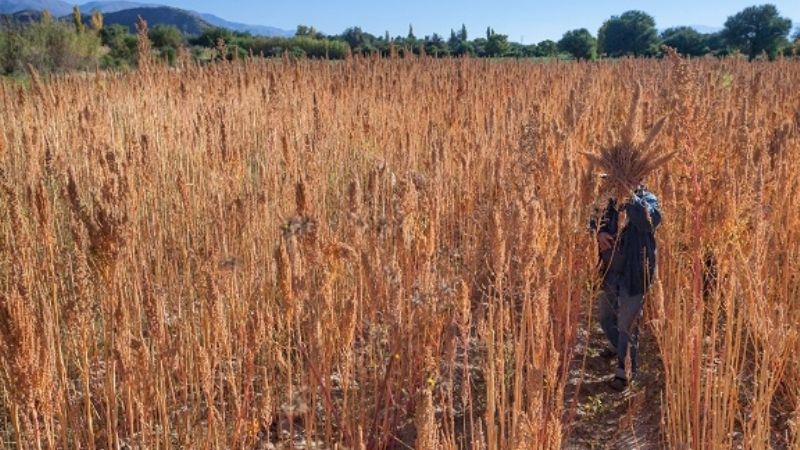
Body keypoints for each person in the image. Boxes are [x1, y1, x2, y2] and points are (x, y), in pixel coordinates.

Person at [589, 185, 661, 391]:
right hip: (610, 271)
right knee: (605, 317)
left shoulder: (647, 198)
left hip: (635, 274)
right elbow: (592, 220)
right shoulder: (607, 200)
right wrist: (600, 233)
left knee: (626, 325)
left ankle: (624, 371)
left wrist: (630, 198)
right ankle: (617, 347)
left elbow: (650, 221)